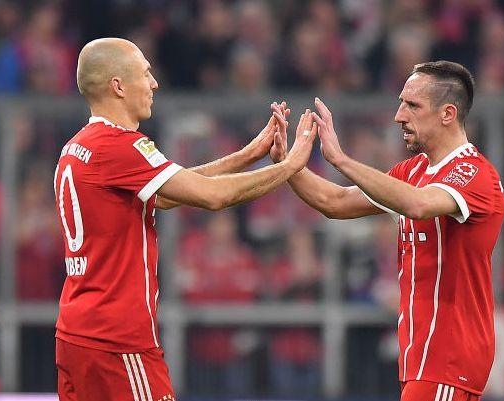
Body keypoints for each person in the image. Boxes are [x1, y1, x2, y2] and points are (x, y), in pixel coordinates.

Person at [53, 37, 318, 401]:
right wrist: (290, 166)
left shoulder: (77, 146)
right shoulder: (119, 146)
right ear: (118, 86)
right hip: (118, 342)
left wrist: (246, 156)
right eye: (145, 73)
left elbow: (169, 192)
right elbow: (212, 196)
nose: (153, 83)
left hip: (76, 334)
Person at [270, 61, 504, 401]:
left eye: (412, 105)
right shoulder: (413, 171)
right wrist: (287, 165)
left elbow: (418, 204)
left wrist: (341, 160)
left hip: (448, 360)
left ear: (447, 113)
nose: (399, 116)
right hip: (422, 362)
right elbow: (334, 201)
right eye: (401, 103)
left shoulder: (474, 173)